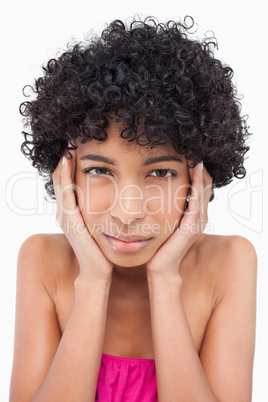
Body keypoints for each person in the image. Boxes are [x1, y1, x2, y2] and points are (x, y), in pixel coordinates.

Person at [9, 16, 257, 401]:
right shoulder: (43, 259)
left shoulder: (229, 262)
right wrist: (92, 281)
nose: (129, 212)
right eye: (98, 170)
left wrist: (165, 278)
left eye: (160, 172)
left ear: (199, 178)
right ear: (65, 174)